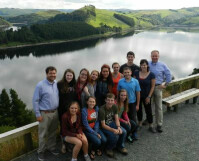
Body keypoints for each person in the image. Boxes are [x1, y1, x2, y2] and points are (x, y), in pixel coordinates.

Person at [32, 66, 59, 161]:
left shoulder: (56, 83)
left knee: (52, 132)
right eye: (51, 73)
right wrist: (37, 114)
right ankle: (41, 152)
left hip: (55, 112)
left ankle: (51, 148)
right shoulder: (40, 85)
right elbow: (35, 101)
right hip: (45, 113)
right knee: (42, 134)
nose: (53, 75)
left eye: (54, 73)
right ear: (46, 74)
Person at [149, 50, 172, 133]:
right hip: (149, 88)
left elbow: (169, 75)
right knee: (148, 106)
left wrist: (165, 85)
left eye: (156, 56)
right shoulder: (147, 64)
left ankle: (159, 124)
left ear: (158, 56)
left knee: (158, 107)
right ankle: (150, 123)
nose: (154, 57)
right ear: (150, 56)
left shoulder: (162, 65)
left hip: (158, 87)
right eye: (153, 56)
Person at [99, 93, 128, 158]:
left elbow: (116, 118)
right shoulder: (102, 110)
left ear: (114, 100)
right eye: (108, 100)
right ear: (105, 100)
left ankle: (120, 146)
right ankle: (109, 148)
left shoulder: (114, 106)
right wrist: (113, 130)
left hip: (112, 123)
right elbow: (103, 125)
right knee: (114, 135)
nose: (110, 102)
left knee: (124, 131)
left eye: (111, 100)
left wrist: (118, 127)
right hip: (105, 126)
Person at [57, 68, 77, 153]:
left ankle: (70, 143)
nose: (69, 77)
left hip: (72, 110)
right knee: (63, 127)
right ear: (65, 75)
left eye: (71, 75)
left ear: (73, 76)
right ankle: (63, 145)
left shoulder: (75, 84)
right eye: (67, 75)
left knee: (71, 126)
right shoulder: (59, 84)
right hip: (62, 110)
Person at [134, 59, 156, 133]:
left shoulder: (151, 74)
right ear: (140, 65)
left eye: (145, 64)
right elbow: (133, 83)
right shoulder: (136, 73)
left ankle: (151, 125)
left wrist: (149, 96)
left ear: (147, 65)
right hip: (138, 95)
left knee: (148, 110)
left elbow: (153, 86)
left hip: (147, 96)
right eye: (142, 64)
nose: (143, 66)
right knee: (139, 110)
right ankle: (139, 123)